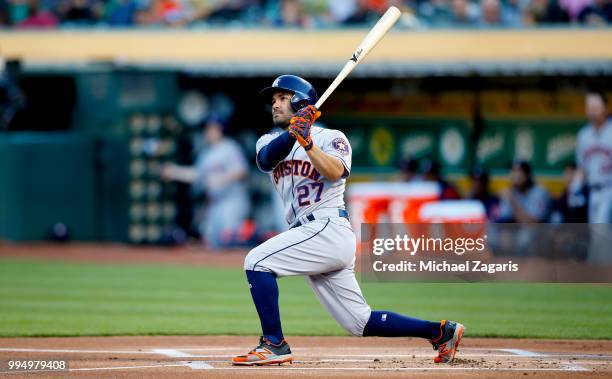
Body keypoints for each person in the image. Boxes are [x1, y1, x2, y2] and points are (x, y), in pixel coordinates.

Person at [232, 75, 464, 366]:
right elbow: (266, 159)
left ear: (301, 101)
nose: (275, 105)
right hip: (309, 233)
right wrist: (295, 134)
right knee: (360, 321)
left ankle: (274, 344)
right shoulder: (268, 140)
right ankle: (441, 332)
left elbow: (334, 172)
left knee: (257, 261)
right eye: (273, 100)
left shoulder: (332, 138)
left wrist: (308, 143)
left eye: (282, 98)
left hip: (327, 227)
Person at [161, 115, 250, 248]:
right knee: (211, 242)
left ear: (220, 129)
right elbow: (197, 175)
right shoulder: (206, 153)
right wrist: (175, 172)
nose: (208, 131)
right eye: (207, 128)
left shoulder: (230, 147)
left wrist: (222, 179)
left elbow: (242, 171)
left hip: (232, 203)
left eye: (212, 128)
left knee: (231, 243)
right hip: (214, 205)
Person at [575, 90, 612, 224]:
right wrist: (575, 188)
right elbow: (582, 167)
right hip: (592, 191)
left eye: (596, 108)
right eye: (589, 108)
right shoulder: (584, 135)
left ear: (606, 108)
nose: (592, 112)